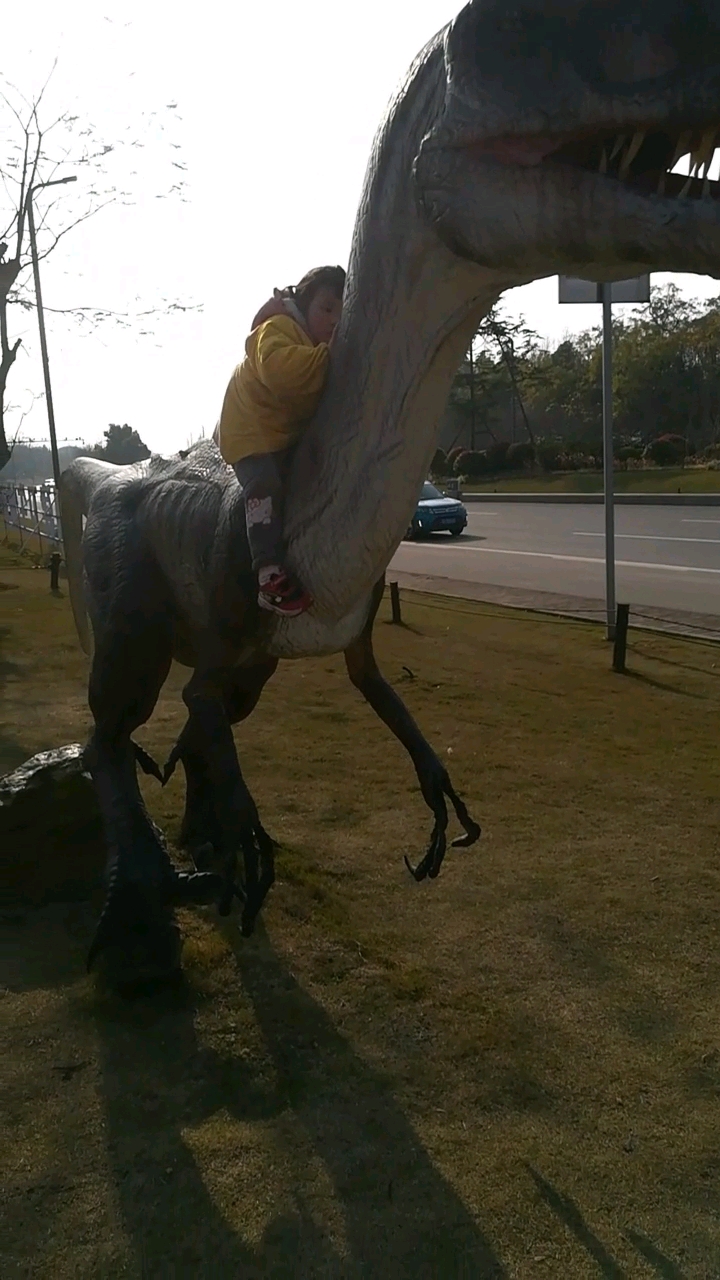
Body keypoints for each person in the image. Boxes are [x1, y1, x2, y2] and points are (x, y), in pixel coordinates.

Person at [215, 265, 345, 617]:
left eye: (342, 312)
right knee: (264, 484)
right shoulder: (278, 329)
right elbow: (281, 371)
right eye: (327, 308)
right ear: (304, 305)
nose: (335, 320)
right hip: (247, 430)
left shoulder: (310, 344)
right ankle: (268, 576)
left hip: (280, 432)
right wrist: (328, 355)